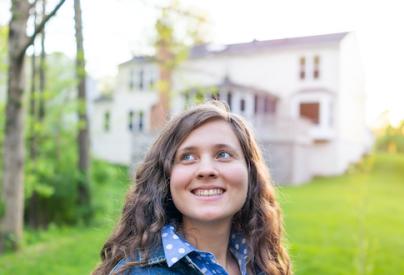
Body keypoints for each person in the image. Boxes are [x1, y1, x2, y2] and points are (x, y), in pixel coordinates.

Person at [93, 101, 292, 275]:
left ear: (250, 173)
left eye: (223, 154)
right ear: (166, 177)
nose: (206, 170)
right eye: (187, 157)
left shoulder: (262, 263)